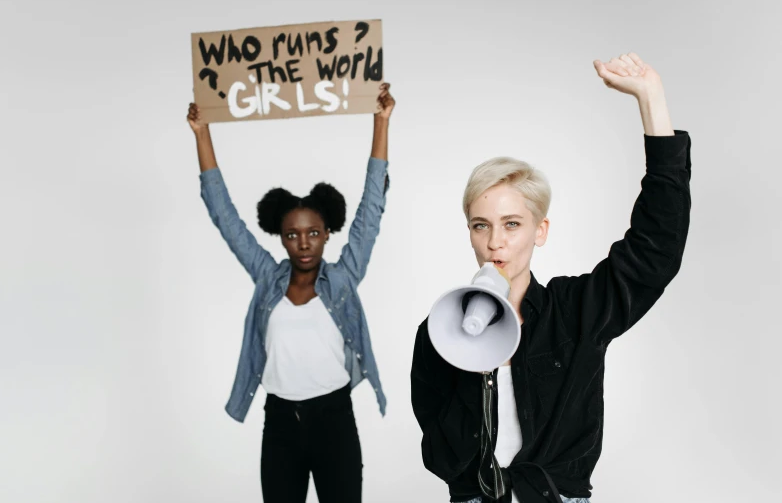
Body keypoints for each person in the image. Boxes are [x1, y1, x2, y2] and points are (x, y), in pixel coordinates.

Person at [411, 53, 691, 503]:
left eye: (512, 224)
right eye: (481, 225)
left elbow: (655, 252)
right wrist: (474, 361)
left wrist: (651, 100)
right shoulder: (438, 333)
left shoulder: (576, 310)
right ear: (469, 232)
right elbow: (438, 452)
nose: (495, 242)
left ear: (540, 231)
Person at [187, 83, 396, 503]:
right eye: (293, 234)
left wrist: (381, 121)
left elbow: (370, 211)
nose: (304, 243)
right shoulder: (267, 279)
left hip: (334, 419)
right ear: (280, 237)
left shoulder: (342, 278)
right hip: (280, 421)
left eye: (313, 233)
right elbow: (224, 216)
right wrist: (202, 133)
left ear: (327, 234)